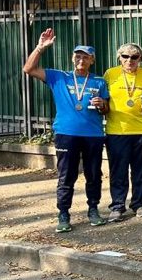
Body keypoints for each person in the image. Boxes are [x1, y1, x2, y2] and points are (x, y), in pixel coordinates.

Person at [22, 30, 109, 232]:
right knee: (66, 176)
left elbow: (106, 110)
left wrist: (102, 104)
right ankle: (63, 214)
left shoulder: (99, 81)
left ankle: (93, 210)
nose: (81, 60)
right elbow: (29, 69)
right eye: (78, 56)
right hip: (66, 134)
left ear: (92, 60)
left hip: (93, 135)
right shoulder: (58, 77)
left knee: (94, 174)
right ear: (72, 58)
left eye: (85, 57)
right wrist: (40, 48)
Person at [103, 43, 142, 221]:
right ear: (120, 57)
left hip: (141, 129)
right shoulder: (110, 74)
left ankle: (139, 204)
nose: (129, 60)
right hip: (117, 130)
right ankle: (117, 206)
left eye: (134, 57)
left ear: (140, 58)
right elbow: (103, 98)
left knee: (140, 170)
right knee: (118, 170)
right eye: (125, 56)